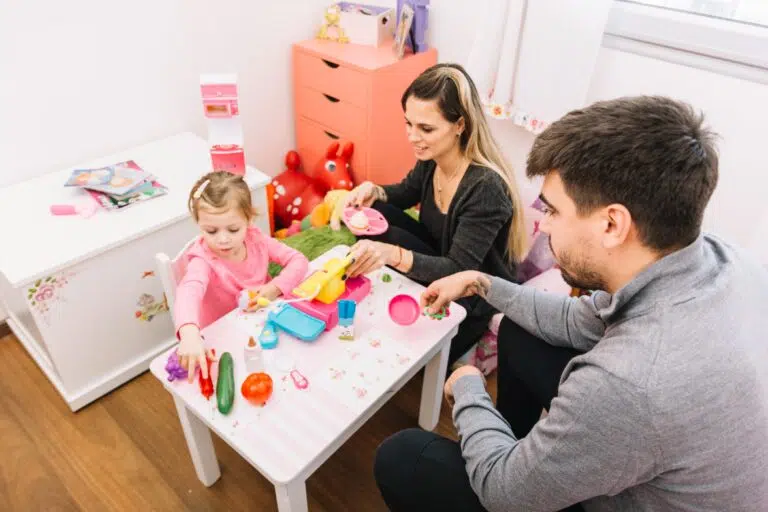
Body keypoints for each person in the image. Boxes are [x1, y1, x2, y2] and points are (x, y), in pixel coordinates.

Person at [373, 95, 768, 511]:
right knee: (518, 329)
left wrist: (469, 387)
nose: (542, 225)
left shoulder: (628, 383)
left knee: (402, 458)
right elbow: (581, 319)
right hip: (679, 455)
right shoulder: (720, 257)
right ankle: (524, 453)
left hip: (624, 480)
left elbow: (503, 494)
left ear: (612, 224)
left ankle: (520, 462)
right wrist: (482, 283)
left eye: (554, 211)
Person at [344, 63, 527, 365]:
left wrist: (390, 254)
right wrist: (373, 190)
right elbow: (406, 192)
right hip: (441, 253)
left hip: (471, 287)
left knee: (415, 363)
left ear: (460, 125)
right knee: (373, 212)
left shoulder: (485, 188)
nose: (412, 137)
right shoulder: (433, 156)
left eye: (426, 128)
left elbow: (458, 268)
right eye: (409, 124)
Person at [174, 171, 309, 380]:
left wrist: (274, 288)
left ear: (248, 220)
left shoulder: (257, 239)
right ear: (198, 224)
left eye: (233, 229)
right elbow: (188, 290)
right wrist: (189, 332)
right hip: (224, 337)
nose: (223, 240)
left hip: (262, 323)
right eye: (211, 231)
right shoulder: (202, 259)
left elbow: (298, 261)